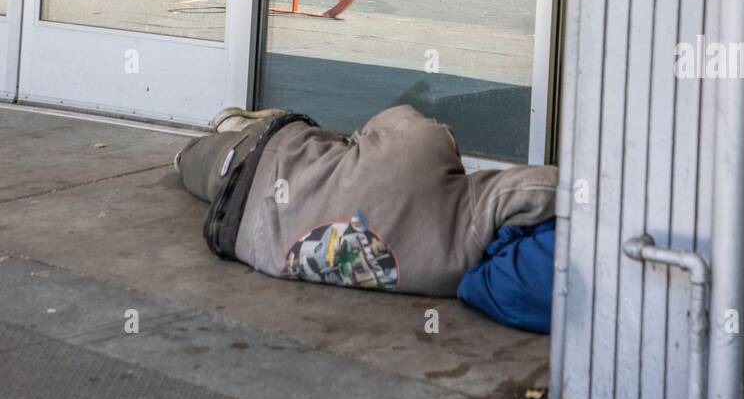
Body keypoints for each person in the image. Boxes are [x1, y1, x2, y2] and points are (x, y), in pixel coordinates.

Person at [176, 103, 557, 298]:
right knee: (216, 165)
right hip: (242, 237)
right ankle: (216, 139)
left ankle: (230, 129)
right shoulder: (454, 275)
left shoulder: (424, 148)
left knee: (229, 153)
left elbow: (541, 190)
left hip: (270, 165)